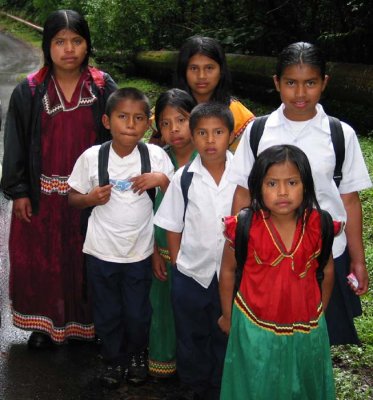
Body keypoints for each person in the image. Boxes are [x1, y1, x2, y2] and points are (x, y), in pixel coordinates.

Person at [228, 42, 371, 345]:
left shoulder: (339, 133)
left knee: (317, 335)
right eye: (291, 83)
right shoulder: (258, 132)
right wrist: (237, 251)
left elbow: (348, 200)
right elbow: (242, 193)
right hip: (266, 257)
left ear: (324, 83)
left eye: (310, 83)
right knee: (269, 336)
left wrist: (358, 259)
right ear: (277, 83)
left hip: (326, 257)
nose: (301, 93)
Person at [1, 10, 117, 349]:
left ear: (87, 45)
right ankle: (44, 327)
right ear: (48, 46)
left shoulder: (100, 86)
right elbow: (16, 143)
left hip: (88, 196)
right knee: (41, 259)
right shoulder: (31, 90)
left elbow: (122, 135)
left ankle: (87, 325)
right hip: (42, 196)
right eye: (60, 42)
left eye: (76, 41)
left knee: (85, 257)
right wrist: (19, 190)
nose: (69, 49)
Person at [68, 87, 174, 389]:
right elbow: (72, 199)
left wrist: (161, 180)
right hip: (101, 252)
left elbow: (176, 198)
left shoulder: (154, 156)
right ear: (106, 120)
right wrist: (90, 198)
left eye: (138, 118)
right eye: (122, 117)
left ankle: (137, 354)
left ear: (147, 124)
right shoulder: (92, 157)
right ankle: (113, 358)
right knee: (107, 311)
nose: (130, 124)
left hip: (139, 253)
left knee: (138, 311)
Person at [219, 144, 339, 399]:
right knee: (255, 384)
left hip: (306, 330)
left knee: (303, 386)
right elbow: (228, 270)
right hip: (253, 327)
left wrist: (319, 314)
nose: (282, 192)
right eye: (272, 184)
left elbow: (327, 269)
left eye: (292, 182)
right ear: (257, 188)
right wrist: (228, 316)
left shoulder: (320, 225)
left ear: (305, 184)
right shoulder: (245, 227)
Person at [154, 102, 236, 400]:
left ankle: (220, 385)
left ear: (231, 134)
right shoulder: (183, 178)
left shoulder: (244, 177)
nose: (210, 140)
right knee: (191, 334)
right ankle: (194, 384)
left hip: (231, 277)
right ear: (192, 134)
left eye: (218, 132)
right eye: (202, 132)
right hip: (191, 274)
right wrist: (177, 262)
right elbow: (172, 224)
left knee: (225, 333)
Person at [149, 88, 197, 379]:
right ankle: (163, 361)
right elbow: (147, 212)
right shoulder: (156, 158)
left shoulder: (207, 158)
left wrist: (166, 183)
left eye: (181, 120)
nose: (174, 129)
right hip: (162, 249)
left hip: (196, 254)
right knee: (161, 308)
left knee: (193, 311)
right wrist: (155, 250)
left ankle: (195, 366)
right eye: (165, 123)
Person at [150, 35, 255, 152]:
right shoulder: (167, 108)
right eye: (194, 68)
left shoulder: (239, 115)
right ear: (183, 71)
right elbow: (153, 154)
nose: (201, 76)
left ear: (221, 71)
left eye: (209, 68)